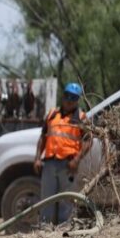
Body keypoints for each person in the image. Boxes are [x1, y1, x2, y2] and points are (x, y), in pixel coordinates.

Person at [34, 82, 90, 224]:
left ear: (77, 100)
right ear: (62, 96)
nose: (69, 100)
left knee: (67, 201)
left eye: (73, 98)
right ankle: (45, 230)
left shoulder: (82, 118)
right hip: (50, 163)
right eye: (66, 96)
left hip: (68, 165)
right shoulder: (52, 115)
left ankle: (64, 231)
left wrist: (77, 160)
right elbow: (43, 138)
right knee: (46, 199)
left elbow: (88, 141)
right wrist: (37, 158)